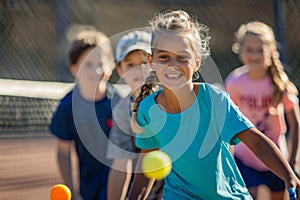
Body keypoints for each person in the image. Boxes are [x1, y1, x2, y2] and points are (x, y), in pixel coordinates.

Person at [127, 10, 300, 200]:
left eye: (182, 57)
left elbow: (257, 143)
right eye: (164, 57)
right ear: (151, 61)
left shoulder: (214, 100)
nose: (173, 65)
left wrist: (289, 176)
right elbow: (147, 166)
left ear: (197, 62)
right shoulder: (147, 110)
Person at [225, 21, 300, 199]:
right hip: (245, 158)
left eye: (261, 49)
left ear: (272, 51)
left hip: (276, 158)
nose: (255, 55)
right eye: (249, 49)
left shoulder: (278, 83)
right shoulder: (234, 82)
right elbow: (228, 122)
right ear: (240, 50)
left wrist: (292, 159)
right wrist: (229, 157)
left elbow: (295, 122)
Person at [50, 29, 117, 200]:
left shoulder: (120, 104)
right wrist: (72, 190)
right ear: (74, 68)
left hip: (118, 184)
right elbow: (63, 152)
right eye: (88, 64)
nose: (96, 70)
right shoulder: (67, 107)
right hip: (87, 187)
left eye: (101, 64)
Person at [106, 30, 164, 200]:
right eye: (130, 64)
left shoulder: (171, 98)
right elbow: (121, 163)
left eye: (143, 62)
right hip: (145, 191)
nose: (138, 70)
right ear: (120, 69)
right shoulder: (122, 111)